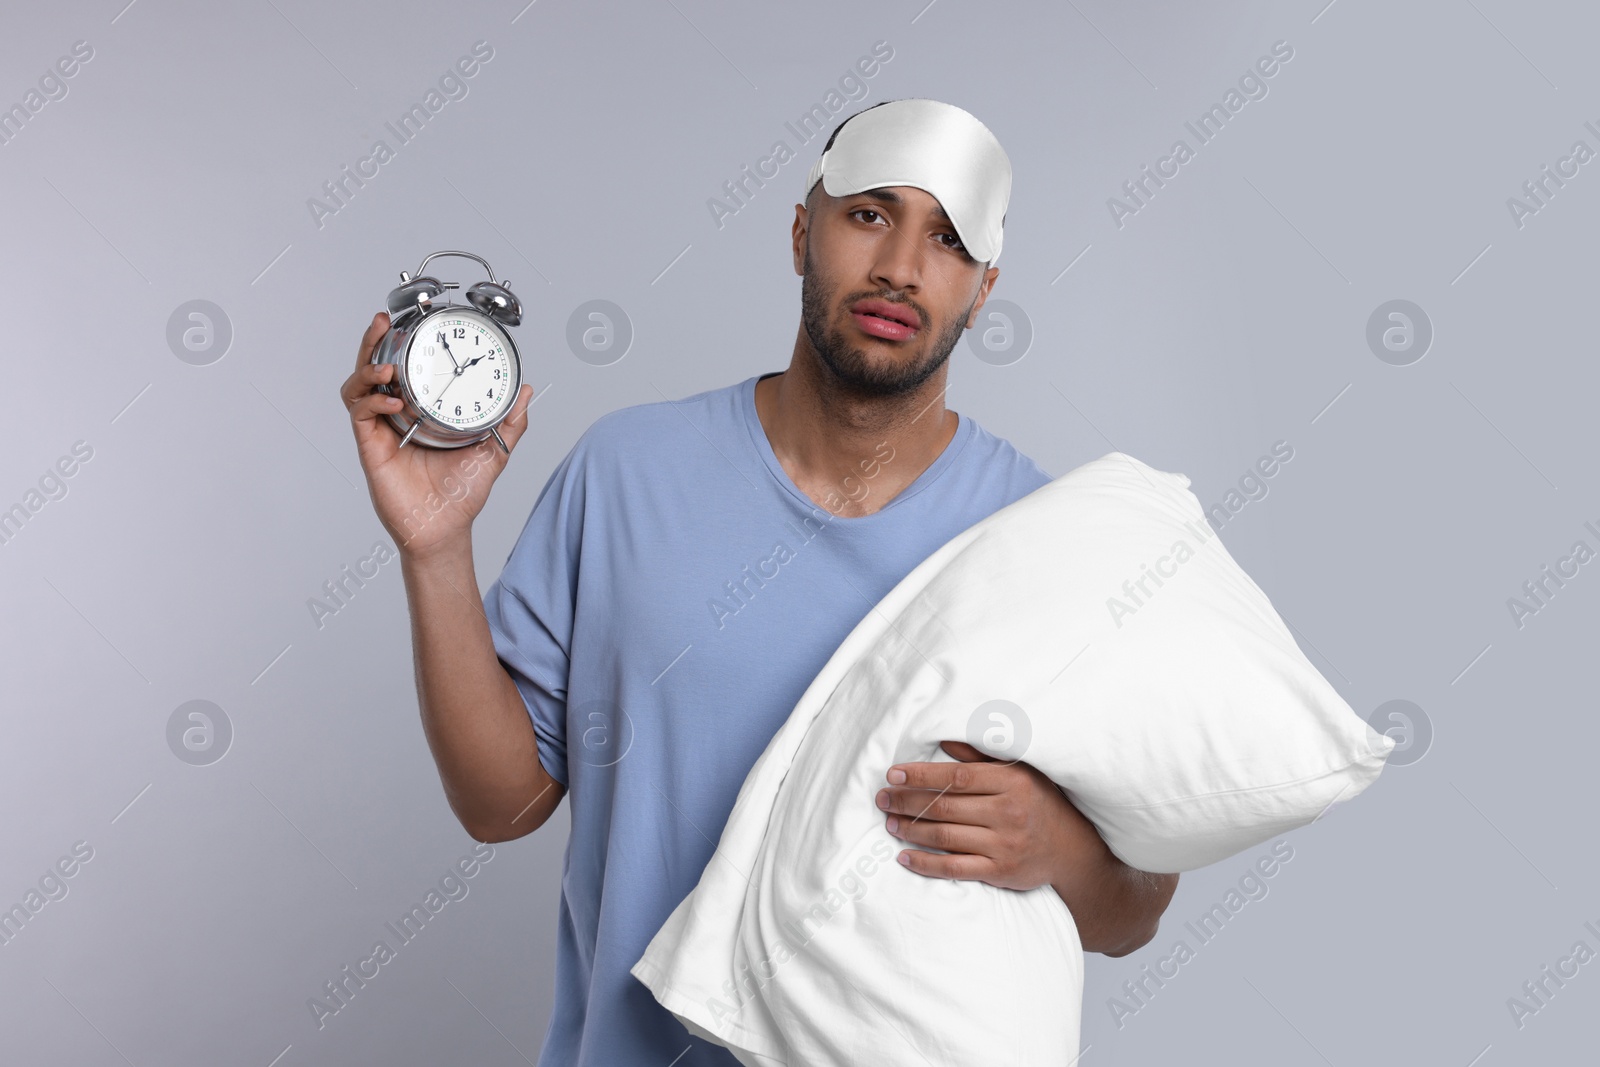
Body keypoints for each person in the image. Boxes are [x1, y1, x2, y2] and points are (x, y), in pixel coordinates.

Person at [341, 97, 1178, 1067]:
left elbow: (1131, 908)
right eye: (869, 212)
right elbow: (502, 804)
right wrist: (435, 550)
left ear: (983, 288)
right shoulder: (627, 471)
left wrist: (1055, 845)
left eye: (947, 239)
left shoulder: (1034, 537)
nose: (900, 266)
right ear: (800, 230)